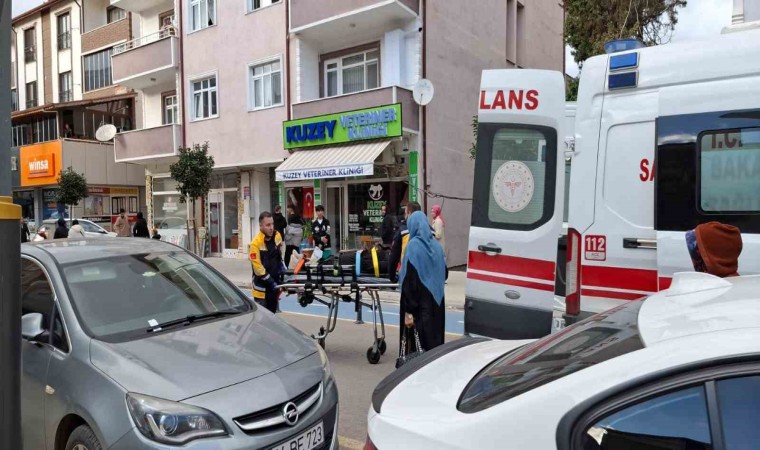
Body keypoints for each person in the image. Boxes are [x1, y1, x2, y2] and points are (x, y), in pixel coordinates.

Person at [399, 211, 446, 354]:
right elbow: (445, 273)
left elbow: (410, 283)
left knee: (419, 352)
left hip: (419, 310)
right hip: (437, 307)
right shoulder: (437, 247)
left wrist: (408, 312)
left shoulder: (413, 247)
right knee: (435, 351)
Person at [249, 211, 286, 314]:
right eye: (268, 225)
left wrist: (281, 269)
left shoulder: (277, 236)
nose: (271, 227)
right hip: (261, 289)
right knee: (262, 319)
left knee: (272, 316)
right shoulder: (255, 244)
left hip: (274, 288)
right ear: (261, 226)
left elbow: (279, 256)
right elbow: (258, 269)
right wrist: (271, 281)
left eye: (272, 224)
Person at [388, 202, 421, 282]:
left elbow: (394, 256)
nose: (404, 216)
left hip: (408, 275)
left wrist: (392, 277)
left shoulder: (403, 231)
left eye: (405, 213)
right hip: (428, 278)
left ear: (409, 213)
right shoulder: (430, 231)